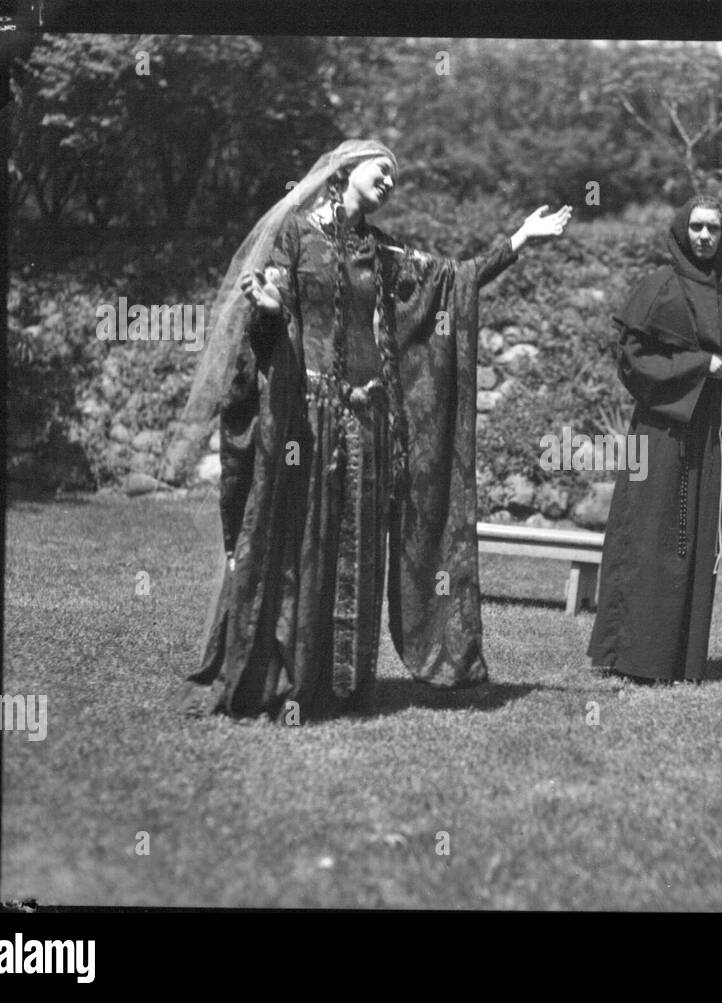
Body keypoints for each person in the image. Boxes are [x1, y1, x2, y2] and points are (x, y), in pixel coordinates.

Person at [172, 138, 571, 719]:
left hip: (365, 420)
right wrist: (264, 307)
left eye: (395, 177)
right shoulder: (294, 231)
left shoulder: (377, 251)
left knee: (353, 546)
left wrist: (518, 242)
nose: (389, 181)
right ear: (344, 170)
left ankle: (341, 684)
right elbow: (273, 305)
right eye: (381, 170)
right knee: (299, 540)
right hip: (305, 418)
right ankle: (285, 677)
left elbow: (451, 281)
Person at [587, 195, 722, 684]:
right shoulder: (658, 287)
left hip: (707, 435)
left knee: (692, 537)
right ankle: (633, 654)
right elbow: (632, 361)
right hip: (662, 430)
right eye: (698, 228)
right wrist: (698, 365)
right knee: (650, 533)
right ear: (684, 230)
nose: (705, 237)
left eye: (715, 230)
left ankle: (678, 659)